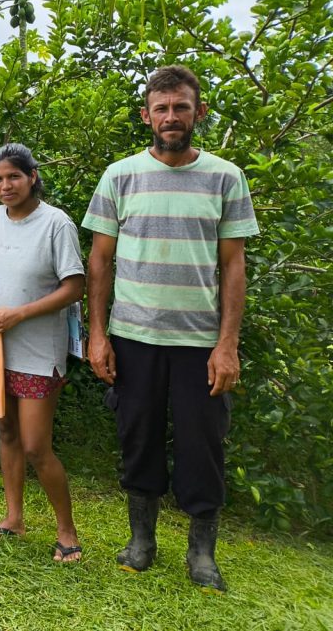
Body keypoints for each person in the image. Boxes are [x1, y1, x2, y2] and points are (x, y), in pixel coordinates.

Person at [83, 65, 259, 592]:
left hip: (199, 343)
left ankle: (201, 553)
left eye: (181, 106)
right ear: (146, 116)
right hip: (133, 338)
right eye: (161, 108)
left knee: (204, 444)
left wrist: (227, 344)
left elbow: (233, 266)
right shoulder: (120, 176)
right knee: (136, 438)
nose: (171, 117)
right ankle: (142, 542)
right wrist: (97, 335)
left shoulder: (225, 176)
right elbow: (99, 262)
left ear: (199, 112)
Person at [0, 144, 85, 562]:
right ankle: (13, 517)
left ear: (32, 176)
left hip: (38, 350)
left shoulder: (56, 223)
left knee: (36, 445)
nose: (5, 186)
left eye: (13, 176)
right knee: (7, 433)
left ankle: (67, 530)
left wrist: (18, 314)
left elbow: (73, 287)